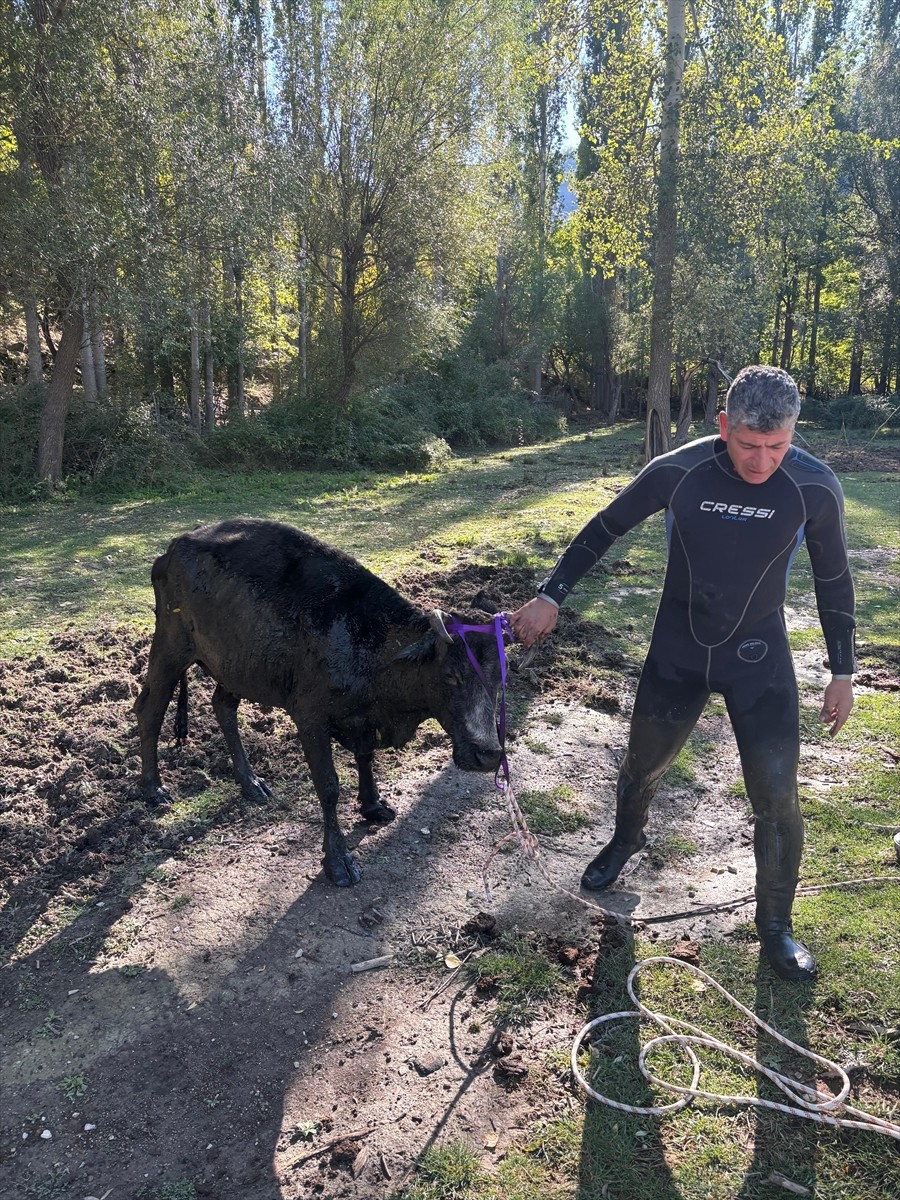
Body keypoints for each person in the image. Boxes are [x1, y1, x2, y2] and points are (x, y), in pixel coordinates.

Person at [510, 366, 855, 982]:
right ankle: (627, 839)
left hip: (760, 660)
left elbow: (833, 579)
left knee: (776, 797)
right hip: (678, 652)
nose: (761, 460)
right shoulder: (682, 469)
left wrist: (842, 671)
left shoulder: (815, 486)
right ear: (723, 425)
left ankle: (774, 926)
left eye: (777, 446)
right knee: (642, 764)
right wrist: (550, 595)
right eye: (749, 443)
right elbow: (605, 526)